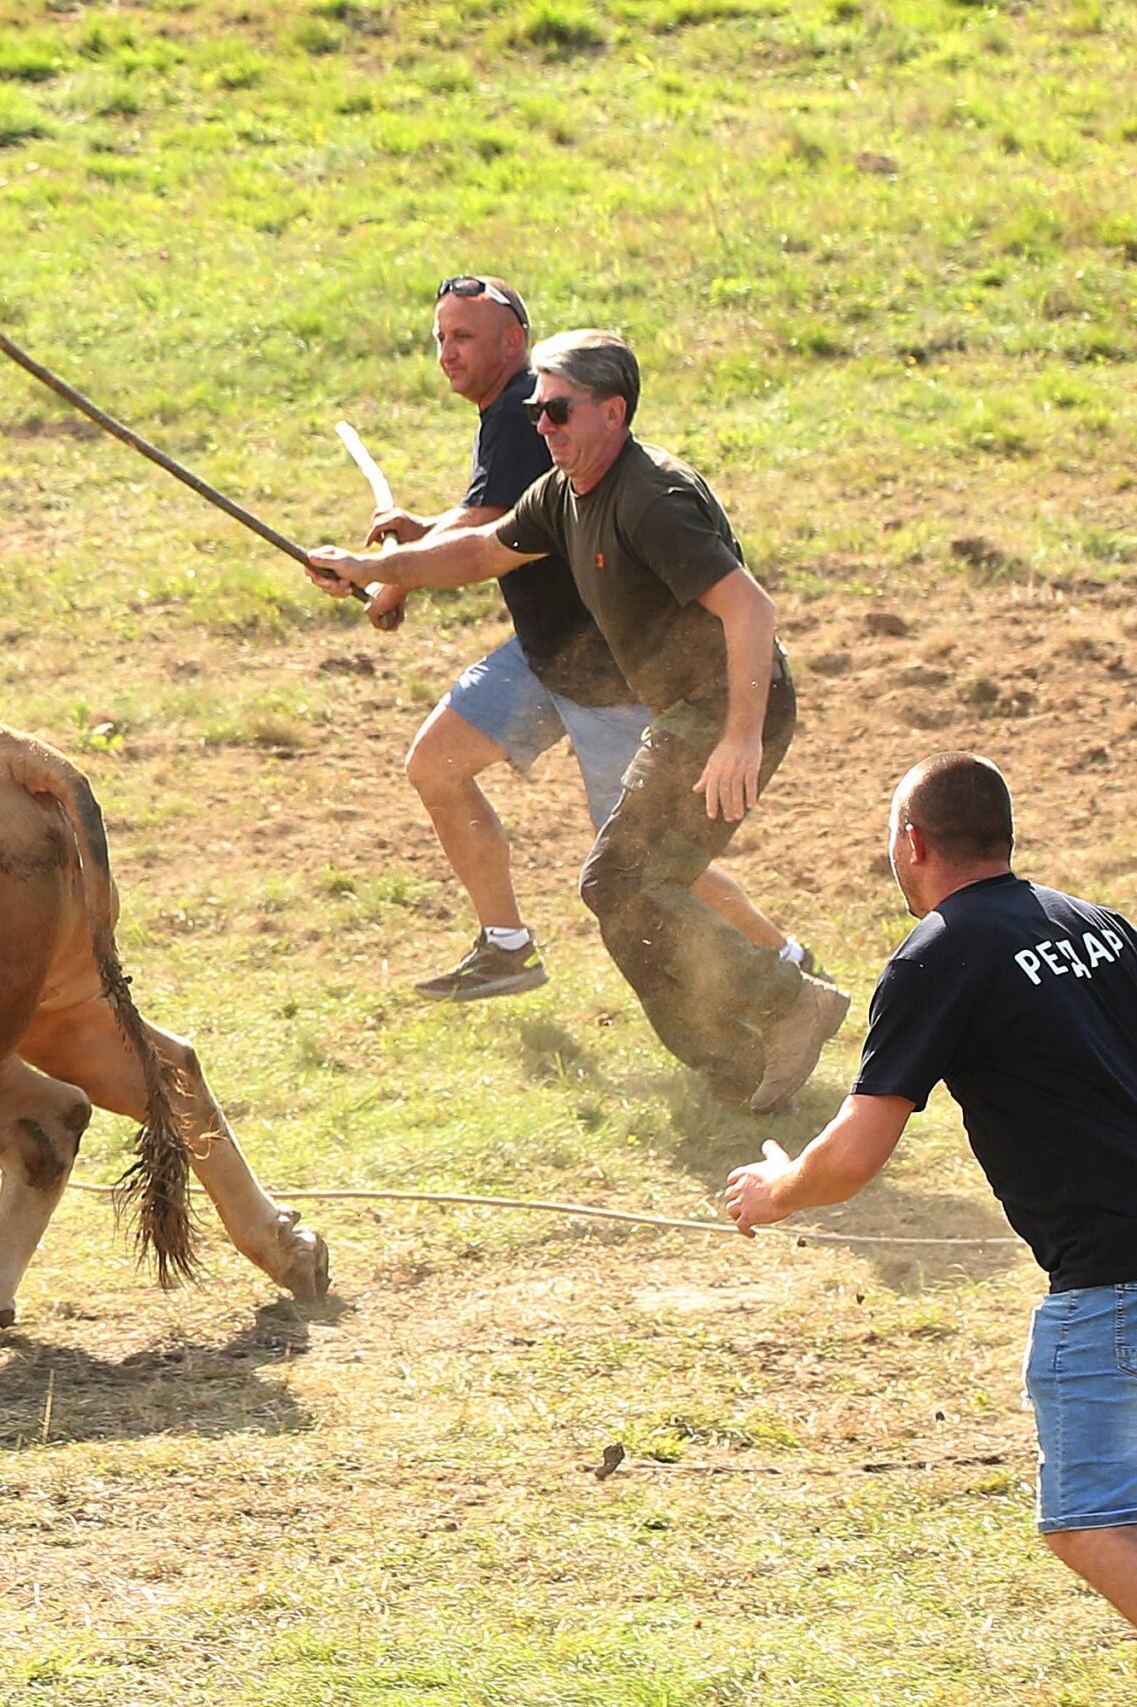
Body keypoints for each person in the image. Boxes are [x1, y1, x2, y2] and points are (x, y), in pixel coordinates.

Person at [307, 328, 847, 1111]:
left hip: (726, 708)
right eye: (536, 412)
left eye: (558, 410)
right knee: (626, 886)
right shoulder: (565, 492)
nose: (543, 427)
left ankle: (783, 1000)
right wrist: (371, 569)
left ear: (613, 412)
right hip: (686, 711)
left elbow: (750, 609)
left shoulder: (650, 499)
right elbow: (476, 553)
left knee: (625, 882)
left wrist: (738, 738)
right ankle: (738, 1062)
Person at [725, 753, 1137, 1628]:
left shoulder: (938, 955)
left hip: (1112, 1278)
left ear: (911, 844)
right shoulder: (1100, 925)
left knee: (1091, 1523)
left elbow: (854, 1155)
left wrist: (777, 1190)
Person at [362, 277, 814, 1002]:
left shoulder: (521, 411)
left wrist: (394, 577)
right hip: (544, 654)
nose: (447, 352)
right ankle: (506, 945)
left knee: (648, 858)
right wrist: (399, 555)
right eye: (440, 336)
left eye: (465, 336)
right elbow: (493, 522)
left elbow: (485, 526)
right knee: (438, 764)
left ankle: (783, 958)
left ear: (514, 343)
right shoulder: (521, 415)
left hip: (606, 672)